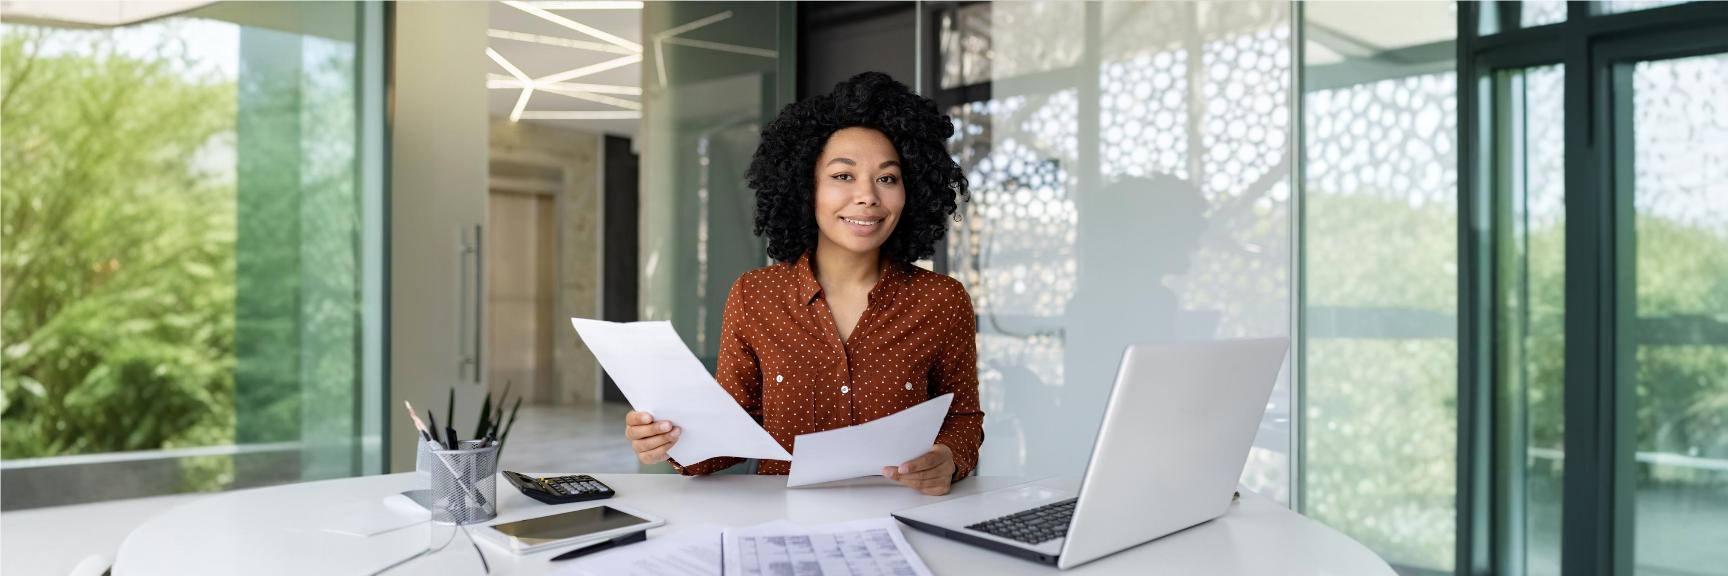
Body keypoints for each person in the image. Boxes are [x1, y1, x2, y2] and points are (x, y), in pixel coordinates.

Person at [622, 72, 982, 495]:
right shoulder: (755, 296)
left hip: (901, 515)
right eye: (843, 176)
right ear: (806, 186)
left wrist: (949, 458)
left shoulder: (941, 300)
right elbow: (730, 434)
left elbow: (963, 419)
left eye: (887, 178)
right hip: (784, 524)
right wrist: (668, 440)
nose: (868, 196)